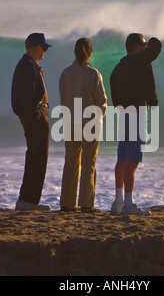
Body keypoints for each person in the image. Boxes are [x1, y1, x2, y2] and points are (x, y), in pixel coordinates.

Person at [109, 33, 162, 215]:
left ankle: (118, 201)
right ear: (138, 47)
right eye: (143, 46)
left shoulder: (119, 67)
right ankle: (129, 204)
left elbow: (114, 93)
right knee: (132, 161)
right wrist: (149, 43)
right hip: (137, 111)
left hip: (123, 112)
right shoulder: (139, 60)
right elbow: (157, 46)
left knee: (122, 158)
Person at [59, 38, 107, 213]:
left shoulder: (65, 73)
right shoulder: (93, 74)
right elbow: (101, 102)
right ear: (90, 53)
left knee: (71, 162)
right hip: (90, 122)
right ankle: (87, 204)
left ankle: (67, 203)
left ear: (75, 52)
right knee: (89, 163)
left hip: (70, 121)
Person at [11, 33, 52, 211]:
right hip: (35, 116)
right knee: (38, 158)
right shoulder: (27, 66)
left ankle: (26, 199)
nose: (44, 51)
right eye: (43, 48)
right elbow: (25, 96)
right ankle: (29, 201)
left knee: (34, 156)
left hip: (35, 114)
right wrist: (36, 115)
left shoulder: (28, 65)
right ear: (36, 47)